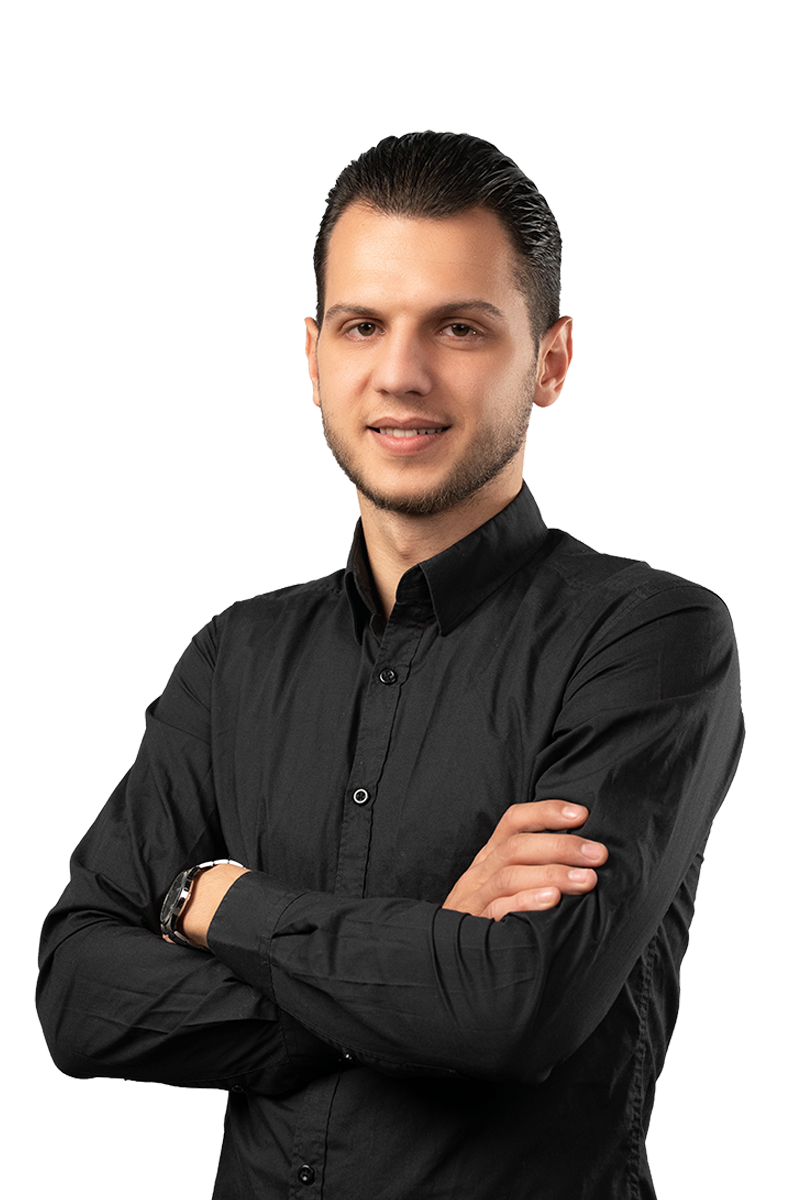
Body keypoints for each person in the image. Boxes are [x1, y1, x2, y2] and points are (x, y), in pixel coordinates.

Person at [36, 132, 744, 1199]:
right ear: (313, 351)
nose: (400, 373)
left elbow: (513, 1009)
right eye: (362, 324)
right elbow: (81, 996)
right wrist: (414, 974)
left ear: (548, 360)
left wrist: (218, 907)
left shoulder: (646, 638)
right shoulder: (235, 657)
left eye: (457, 327)